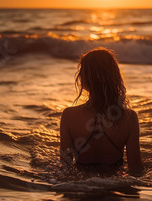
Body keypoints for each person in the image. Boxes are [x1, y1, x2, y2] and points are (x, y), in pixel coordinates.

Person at [60, 47, 143, 175]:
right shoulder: (129, 118)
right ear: (115, 76)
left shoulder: (69, 116)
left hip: (80, 187)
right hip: (115, 186)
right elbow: (136, 168)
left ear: (85, 80)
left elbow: (65, 166)